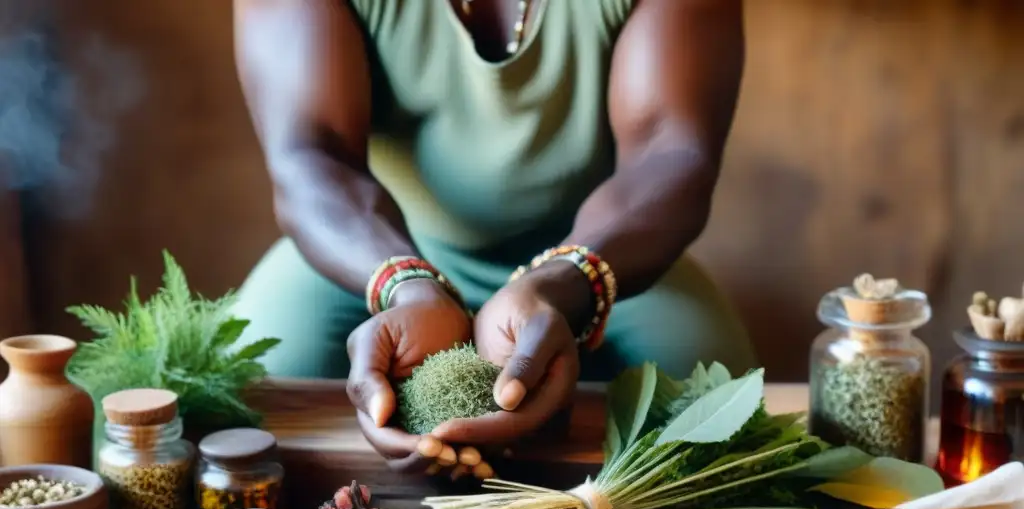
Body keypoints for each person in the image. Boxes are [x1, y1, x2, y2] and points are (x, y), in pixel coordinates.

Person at [232, 0, 755, 480]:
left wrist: (560, 286)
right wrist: (409, 286)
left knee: (724, 421)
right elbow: (309, 156)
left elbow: (671, 154)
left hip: (602, 254)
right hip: (373, 248)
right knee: (248, 399)